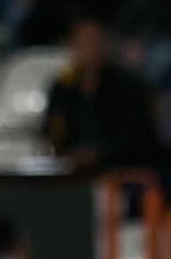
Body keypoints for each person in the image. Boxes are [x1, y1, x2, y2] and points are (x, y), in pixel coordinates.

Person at [42, 16, 162, 174]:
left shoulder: (128, 85)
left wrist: (97, 155)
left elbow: (137, 138)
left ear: (105, 44)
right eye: (83, 42)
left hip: (124, 171)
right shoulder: (63, 87)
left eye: (95, 41)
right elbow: (52, 131)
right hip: (73, 172)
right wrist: (67, 154)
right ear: (72, 45)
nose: (90, 48)